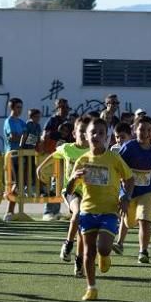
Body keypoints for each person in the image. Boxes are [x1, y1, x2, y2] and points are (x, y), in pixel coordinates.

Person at [64, 117, 134, 300]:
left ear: (106, 137)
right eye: (93, 132)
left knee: (102, 248)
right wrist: (73, 178)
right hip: (87, 210)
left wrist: (126, 197)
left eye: (101, 133)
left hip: (109, 210)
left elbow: (130, 178)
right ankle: (91, 287)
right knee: (88, 251)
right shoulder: (82, 159)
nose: (96, 135)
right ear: (86, 136)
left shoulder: (113, 158)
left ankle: (105, 255)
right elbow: (69, 191)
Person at [37, 115, 91, 275]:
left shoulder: (94, 151)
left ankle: (79, 261)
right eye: (81, 131)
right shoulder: (67, 148)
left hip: (89, 193)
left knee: (84, 227)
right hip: (71, 191)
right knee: (79, 213)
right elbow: (54, 155)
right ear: (74, 133)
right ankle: (68, 244)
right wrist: (40, 168)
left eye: (87, 132)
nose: (84, 135)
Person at [112, 116, 151, 263]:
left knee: (144, 219)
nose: (144, 132)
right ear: (135, 130)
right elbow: (117, 166)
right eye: (141, 129)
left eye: (148, 130)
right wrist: (120, 181)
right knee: (127, 220)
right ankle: (120, 242)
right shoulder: (129, 147)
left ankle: (143, 251)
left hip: (146, 192)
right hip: (128, 192)